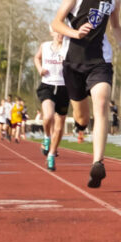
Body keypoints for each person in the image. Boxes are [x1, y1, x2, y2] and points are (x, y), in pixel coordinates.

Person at [51, 0, 121, 189]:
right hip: (72, 61)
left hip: (100, 61)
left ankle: (98, 163)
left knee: (101, 104)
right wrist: (74, 32)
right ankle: (81, 125)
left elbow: (116, 26)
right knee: (81, 116)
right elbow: (56, 22)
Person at [35, 33, 69, 169]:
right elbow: (37, 57)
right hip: (47, 85)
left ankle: (52, 154)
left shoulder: (68, 47)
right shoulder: (45, 46)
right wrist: (39, 69)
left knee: (60, 126)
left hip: (64, 88)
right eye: (58, 32)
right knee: (48, 116)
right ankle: (47, 137)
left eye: (63, 33)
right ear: (52, 33)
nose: (60, 35)